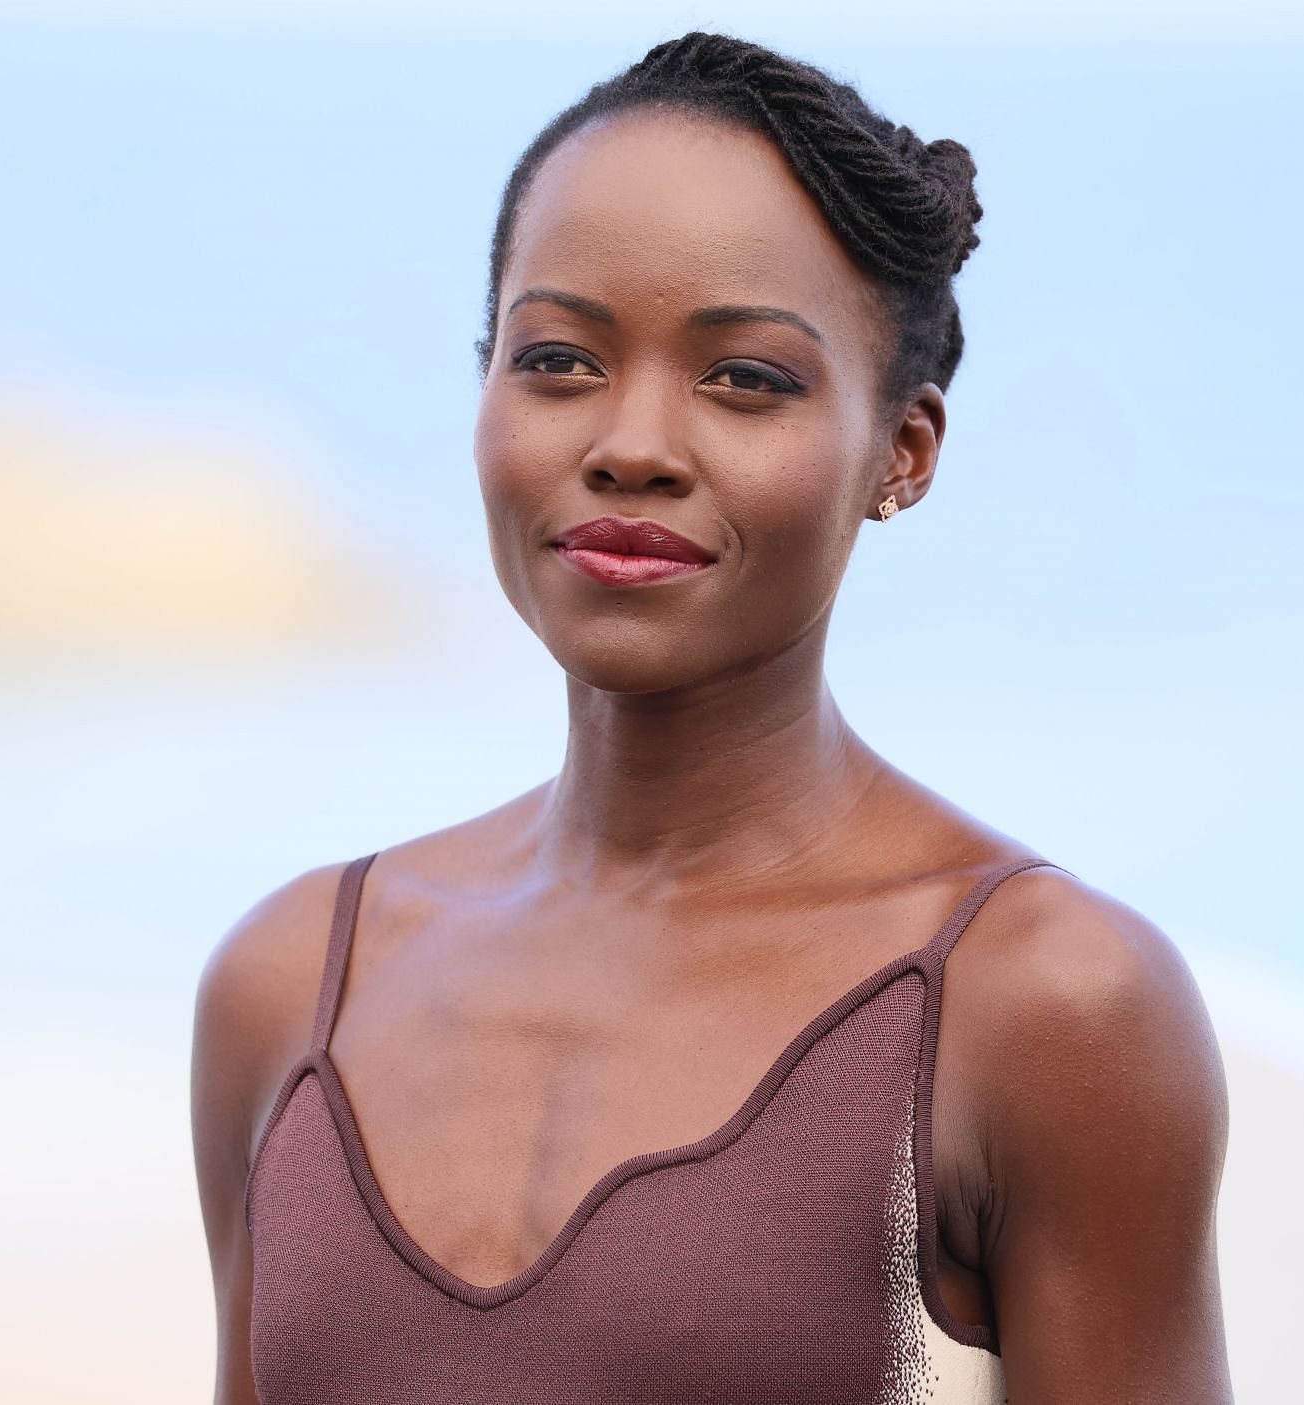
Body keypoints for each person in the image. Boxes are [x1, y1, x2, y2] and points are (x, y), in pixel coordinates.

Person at [191, 30, 1230, 1405]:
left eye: (745, 377)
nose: (631, 442)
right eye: (557, 359)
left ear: (900, 453)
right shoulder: (285, 989)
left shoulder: (1041, 1005)